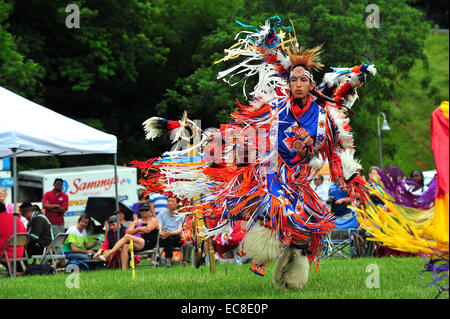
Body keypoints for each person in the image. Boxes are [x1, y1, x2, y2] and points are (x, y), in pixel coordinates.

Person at [135, 17, 374, 289]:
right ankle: (263, 249)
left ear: (311, 86)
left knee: (308, 226)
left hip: (303, 177)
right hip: (274, 172)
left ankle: (291, 264)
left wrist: (346, 176)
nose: (297, 84)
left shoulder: (324, 115)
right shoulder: (275, 112)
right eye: (293, 79)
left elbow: (335, 150)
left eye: (303, 80)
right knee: (279, 208)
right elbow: (248, 132)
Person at [97, 202, 159, 270]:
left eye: (146, 210)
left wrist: (136, 229)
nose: (144, 212)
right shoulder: (136, 221)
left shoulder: (154, 220)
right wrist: (139, 229)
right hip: (138, 243)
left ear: (150, 211)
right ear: (139, 212)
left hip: (148, 243)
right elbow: (128, 232)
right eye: (141, 210)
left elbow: (147, 230)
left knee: (127, 237)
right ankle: (124, 271)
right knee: (125, 246)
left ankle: (107, 255)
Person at [158, 196, 185, 268]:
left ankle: (167, 260)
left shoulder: (181, 215)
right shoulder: (161, 214)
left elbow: (179, 230)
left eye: (172, 201)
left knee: (170, 238)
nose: (169, 203)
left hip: (176, 237)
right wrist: (160, 232)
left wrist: (169, 233)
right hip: (165, 235)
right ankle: (167, 260)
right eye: (168, 201)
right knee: (166, 238)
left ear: (177, 204)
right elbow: (159, 226)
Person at [0, 202, 27, 272]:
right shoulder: (16, 219)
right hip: (20, 251)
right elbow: (25, 234)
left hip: (5, 252)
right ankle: (11, 269)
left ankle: (10, 268)